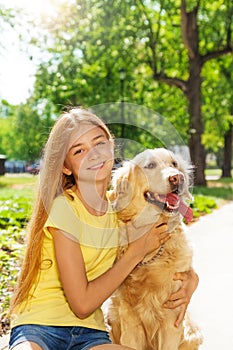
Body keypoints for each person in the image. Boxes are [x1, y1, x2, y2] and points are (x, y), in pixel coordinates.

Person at [9, 108, 199, 350]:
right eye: (79, 151)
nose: (93, 155)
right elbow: (82, 304)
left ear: (112, 147)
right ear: (66, 167)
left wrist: (191, 279)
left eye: (99, 144)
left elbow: (168, 254)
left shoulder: (121, 212)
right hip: (40, 328)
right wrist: (136, 251)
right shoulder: (65, 209)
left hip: (90, 335)